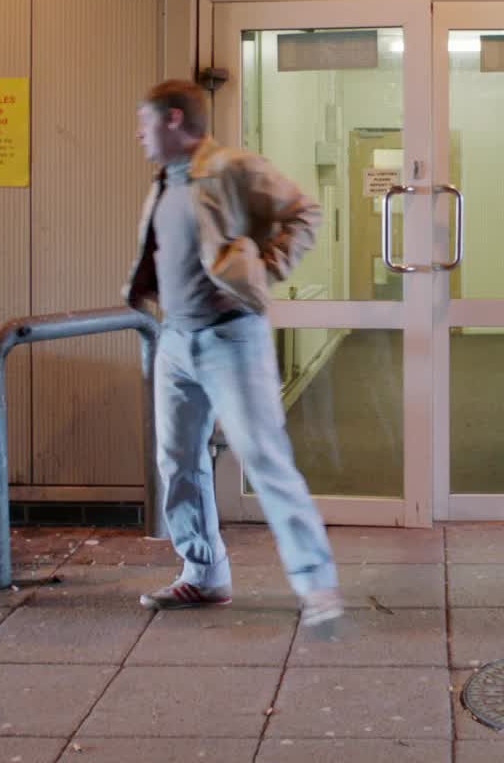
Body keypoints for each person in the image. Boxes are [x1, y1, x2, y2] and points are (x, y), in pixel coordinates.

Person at [126, 78, 344, 636]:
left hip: (231, 339)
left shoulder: (231, 168)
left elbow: (304, 213)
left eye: (145, 122)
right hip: (176, 339)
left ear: (174, 119)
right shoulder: (166, 180)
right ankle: (204, 573)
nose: (139, 134)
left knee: (264, 458)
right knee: (178, 461)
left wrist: (264, 270)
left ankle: (317, 584)